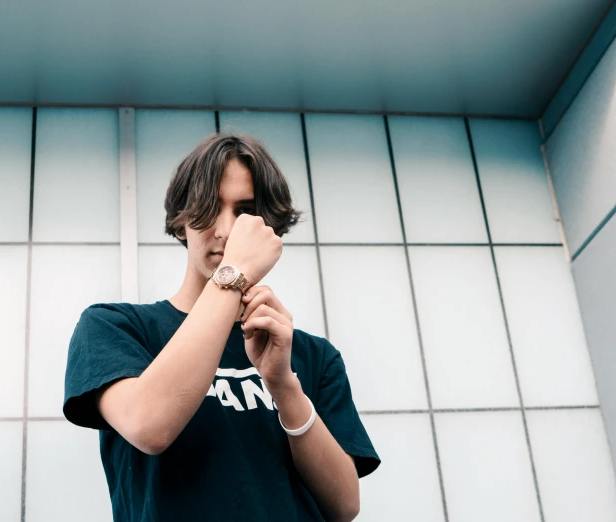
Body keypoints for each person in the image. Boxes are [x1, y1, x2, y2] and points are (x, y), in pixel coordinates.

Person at [63, 133, 381, 522]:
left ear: (270, 232)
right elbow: (149, 425)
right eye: (210, 207)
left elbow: (345, 505)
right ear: (181, 223)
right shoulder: (116, 327)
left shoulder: (315, 356)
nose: (228, 230)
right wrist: (233, 276)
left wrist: (283, 384)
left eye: (246, 212)